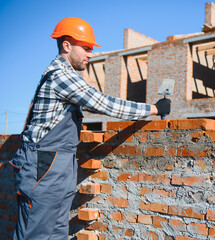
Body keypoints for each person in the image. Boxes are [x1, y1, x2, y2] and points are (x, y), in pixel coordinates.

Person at [9, 17, 171, 239]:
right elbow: (102, 103)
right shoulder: (61, 75)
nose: (91, 54)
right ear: (66, 45)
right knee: (35, 233)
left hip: (58, 164)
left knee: (57, 232)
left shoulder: (62, 77)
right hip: (43, 165)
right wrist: (153, 108)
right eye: (86, 48)